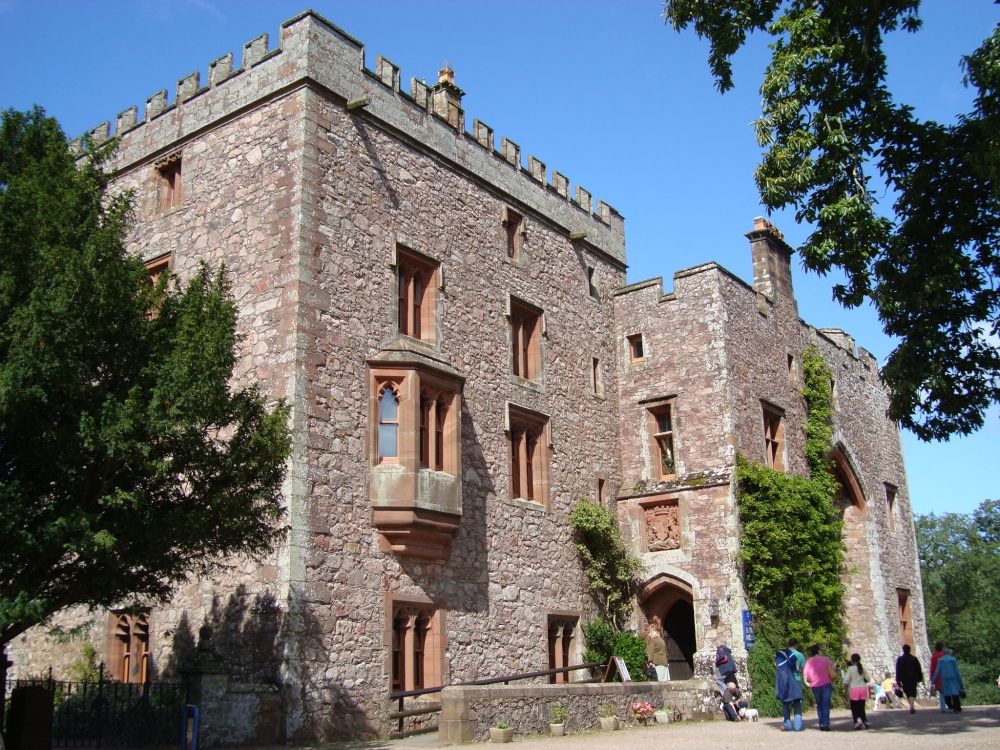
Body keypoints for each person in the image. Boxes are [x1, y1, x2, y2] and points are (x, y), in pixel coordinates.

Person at [802, 644, 838, 731]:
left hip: (815, 686)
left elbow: (805, 673)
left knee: (819, 705)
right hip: (826, 685)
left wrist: (806, 682)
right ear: (818, 651)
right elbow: (834, 668)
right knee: (826, 704)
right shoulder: (825, 659)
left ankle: (821, 723)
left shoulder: (809, 661)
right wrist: (836, 666)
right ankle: (826, 724)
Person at [775, 645, 803, 731]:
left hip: (786, 688)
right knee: (797, 706)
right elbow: (800, 668)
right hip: (795, 685)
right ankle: (798, 727)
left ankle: (787, 724)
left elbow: (782, 681)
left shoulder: (781, 669)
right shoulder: (793, 664)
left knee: (785, 705)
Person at [931, 647, 964, 713]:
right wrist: (960, 681)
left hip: (944, 679)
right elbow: (957, 671)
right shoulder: (953, 660)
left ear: (943, 653)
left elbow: (937, 671)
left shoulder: (940, 660)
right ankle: (956, 707)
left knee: (946, 693)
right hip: (953, 678)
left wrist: (933, 681)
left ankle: (950, 705)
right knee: (955, 693)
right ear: (949, 652)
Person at [844, 653, 871, 730]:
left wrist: (845, 692)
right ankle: (864, 721)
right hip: (862, 688)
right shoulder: (862, 669)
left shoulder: (850, 669)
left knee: (854, 707)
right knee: (861, 706)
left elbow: (846, 681)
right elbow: (868, 679)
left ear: (852, 661)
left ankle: (856, 722)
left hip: (854, 689)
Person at [895, 644, 924, 714]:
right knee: (912, 691)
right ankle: (911, 706)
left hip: (904, 679)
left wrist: (898, 679)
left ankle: (911, 706)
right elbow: (918, 669)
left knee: (907, 692)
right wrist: (920, 677)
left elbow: (898, 670)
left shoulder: (900, 659)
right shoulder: (914, 659)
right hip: (913, 678)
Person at [929, 641, 945, 712]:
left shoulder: (934, 656)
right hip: (946, 674)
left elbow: (932, 668)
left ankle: (943, 707)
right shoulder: (944, 655)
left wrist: (932, 678)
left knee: (941, 692)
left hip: (938, 676)